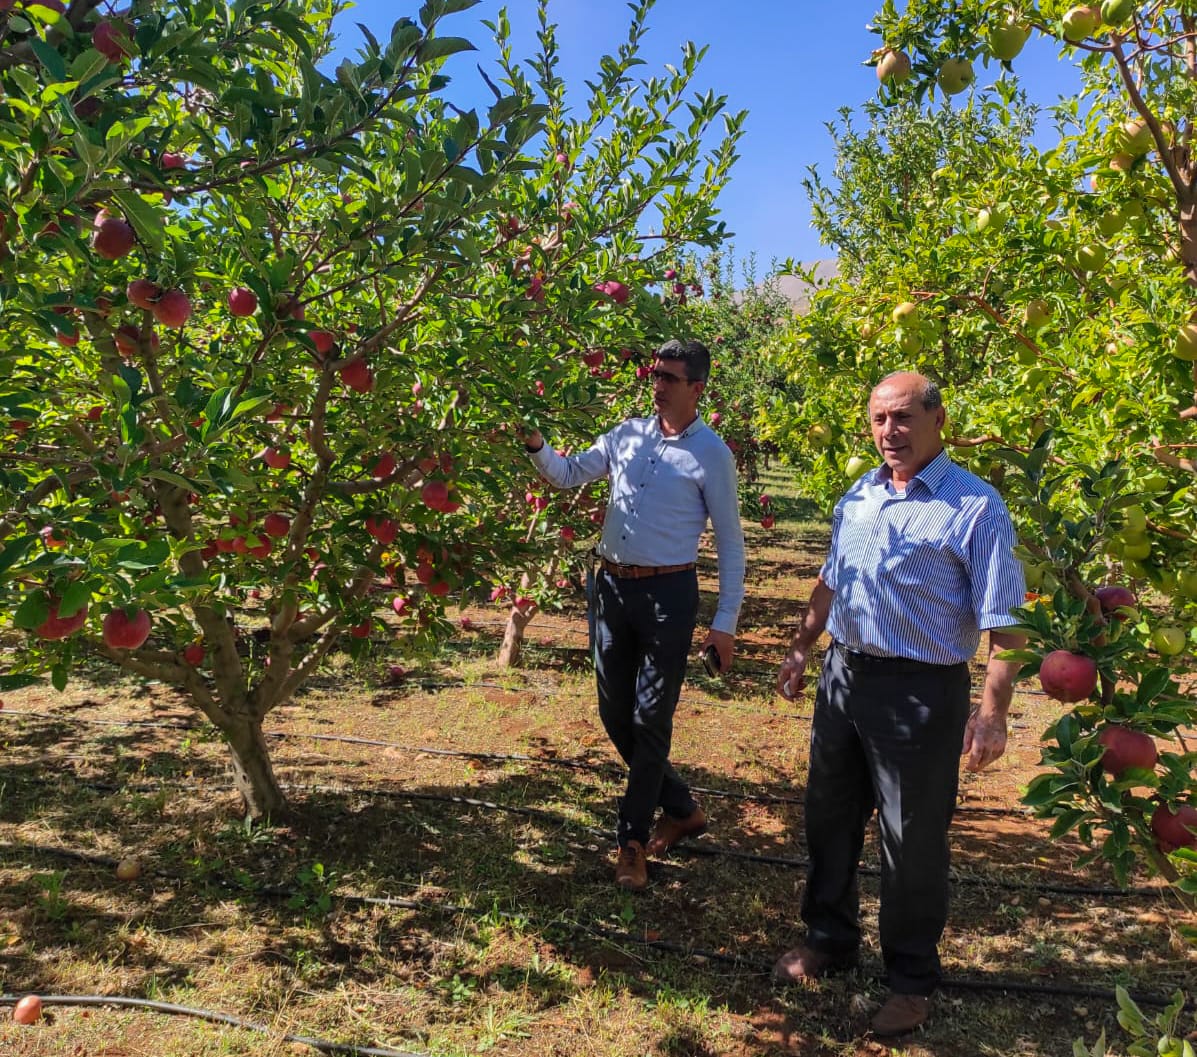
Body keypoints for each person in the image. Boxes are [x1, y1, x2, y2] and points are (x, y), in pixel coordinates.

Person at [772, 371, 1025, 1037]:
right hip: (844, 677)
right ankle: (828, 937)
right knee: (827, 817)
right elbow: (831, 579)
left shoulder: (975, 506)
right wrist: (801, 648)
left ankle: (910, 977)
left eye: (904, 417)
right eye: (879, 419)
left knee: (910, 841)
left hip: (920, 692)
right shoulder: (859, 493)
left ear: (939, 420)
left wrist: (992, 711)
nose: (890, 432)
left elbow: (1005, 623)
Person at [522, 338, 746, 891]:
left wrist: (726, 622)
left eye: (671, 377)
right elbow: (569, 473)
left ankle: (631, 842)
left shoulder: (712, 454)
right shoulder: (627, 433)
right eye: (656, 374)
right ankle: (681, 808)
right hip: (612, 589)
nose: (659, 385)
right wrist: (535, 444)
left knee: (650, 719)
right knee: (614, 715)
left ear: (696, 388)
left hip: (669, 593)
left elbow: (732, 543)